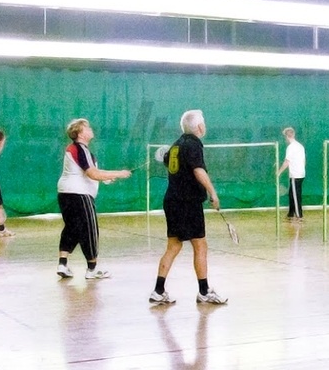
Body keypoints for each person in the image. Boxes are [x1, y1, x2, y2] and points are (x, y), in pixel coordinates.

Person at [149, 110, 228, 305]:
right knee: (200, 245)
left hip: (172, 201)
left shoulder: (176, 145)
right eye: (204, 123)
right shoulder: (193, 144)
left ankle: (158, 291)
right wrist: (213, 192)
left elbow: (167, 160)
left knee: (174, 245)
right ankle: (204, 292)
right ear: (200, 127)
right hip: (188, 202)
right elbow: (198, 170)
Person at [56, 118, 131, 280]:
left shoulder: (79, 150)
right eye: (87, 127)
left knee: (72, 228)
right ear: (81, 133)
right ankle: (92, 268)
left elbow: (90, 173)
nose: (90, 129)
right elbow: (93, 174)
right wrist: (119, 173)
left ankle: (62, 263)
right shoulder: (80, 148)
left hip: (66, 193)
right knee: (89, 230)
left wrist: (105, 178)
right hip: (79, 195)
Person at [276, 126, 306, 221]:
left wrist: (279, 172)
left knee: (296, 195)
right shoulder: (300, 146)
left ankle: (299, 216)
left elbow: (287, 162)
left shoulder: (291, 147)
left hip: (295, 175)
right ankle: (290, 214)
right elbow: (304, 160)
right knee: (292, 194)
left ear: (286, 137)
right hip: (300, 174)